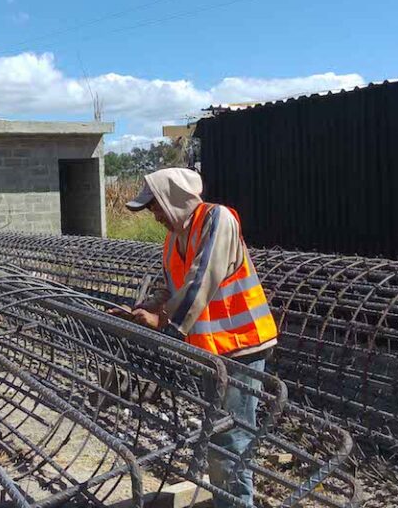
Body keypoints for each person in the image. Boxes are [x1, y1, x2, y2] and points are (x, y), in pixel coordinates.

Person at [110, 167, 278, 507]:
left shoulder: (218, 220)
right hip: (211, 352)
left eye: (155, 206)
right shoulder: (175, 238)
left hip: (241, 346)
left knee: (230, 441)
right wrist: (143, 308)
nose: (154, 215)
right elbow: (169, 285)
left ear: (173, 200)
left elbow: (201, 280)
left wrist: (164, 322)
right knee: (219, 437)